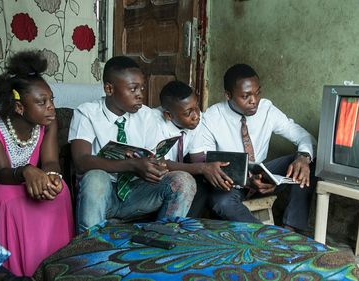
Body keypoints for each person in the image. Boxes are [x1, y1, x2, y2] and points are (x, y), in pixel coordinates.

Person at [0, 51, 75, 276]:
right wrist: (28, 171)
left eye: (51, 99)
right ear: (19, 107)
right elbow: (1, 173)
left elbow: (51, 161)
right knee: (8, 200)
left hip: (28, 176)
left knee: (60, 192)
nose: (51, 107)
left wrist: (52, 177)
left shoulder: (48, 122)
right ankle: (16, 273)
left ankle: (59, 269)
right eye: (42, 102)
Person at [69, 56, 196, 234]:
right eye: (133, 89)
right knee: (96, 177)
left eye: (141, 88)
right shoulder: (87, 113)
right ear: (109, 88)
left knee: (183, 180)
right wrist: (131, 165)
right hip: (102, 195)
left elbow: (155, 156)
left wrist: (155, 166)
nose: (140, 94)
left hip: (137, 194)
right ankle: (89, 247)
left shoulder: (147, 116)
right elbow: (81, 161)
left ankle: (161, 239)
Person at [201, 63, 317, 232]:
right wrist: (247, 181)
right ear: (228, 95)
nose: (254, 101)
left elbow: (304, 136)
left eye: (257, 93)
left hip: (263, 177)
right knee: (221, 203)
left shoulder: (267, 109)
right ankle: (266, 236)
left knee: (306, 163)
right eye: (246, 96)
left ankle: (292, 228)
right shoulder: (212, 118)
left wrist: (303, 158)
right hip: (232, 183)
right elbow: (208, 163)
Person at [153, 80, 232, 217]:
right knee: (187, 181)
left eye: (197, 107)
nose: (196, 115)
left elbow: (198, 159)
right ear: (169, 116)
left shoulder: (194, 121)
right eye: (188, 112)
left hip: (176, 177)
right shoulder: (154, 122)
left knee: (205, 185)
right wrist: (203, 168)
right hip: (154, 179)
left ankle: (183, 228)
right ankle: (169, 230)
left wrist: (217, 172)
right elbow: (159, 164)